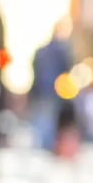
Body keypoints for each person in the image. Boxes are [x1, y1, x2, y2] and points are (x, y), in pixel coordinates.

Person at [28, 20, 73, 151]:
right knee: (48, 120)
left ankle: (39, 146)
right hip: (53, 91)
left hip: (39, 90)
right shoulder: (62, 50)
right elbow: (66, 70)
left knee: (40, 120)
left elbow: (35, 70)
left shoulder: (40, 51)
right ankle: (45, 147)